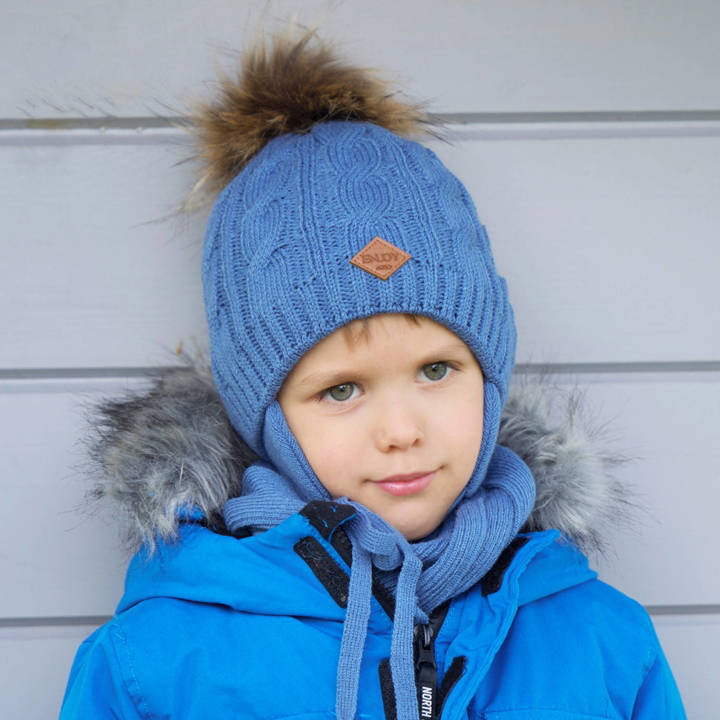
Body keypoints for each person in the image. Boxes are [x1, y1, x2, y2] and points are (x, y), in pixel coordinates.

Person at [59, 28, 686, 720]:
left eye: (437, 370)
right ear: (264, 418)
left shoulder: (600, 640)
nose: (400, 430)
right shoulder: (157, 662)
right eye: (341, 389)